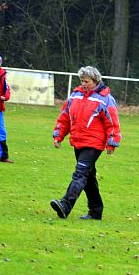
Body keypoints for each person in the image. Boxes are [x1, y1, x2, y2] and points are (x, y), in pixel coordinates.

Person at [50, 66, 121, 220]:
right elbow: (65, 117)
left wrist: (112, 142)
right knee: (89, 178)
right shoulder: (75, 96)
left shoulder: (105, 98)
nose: (83, 84)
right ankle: (96, 212)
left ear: (95, 81)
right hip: (78, 142)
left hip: (94, 144)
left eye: (86, 81)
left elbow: (112, 122)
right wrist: (58, 135)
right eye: (82, 81)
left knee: (80, 174)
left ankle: (65, 205)